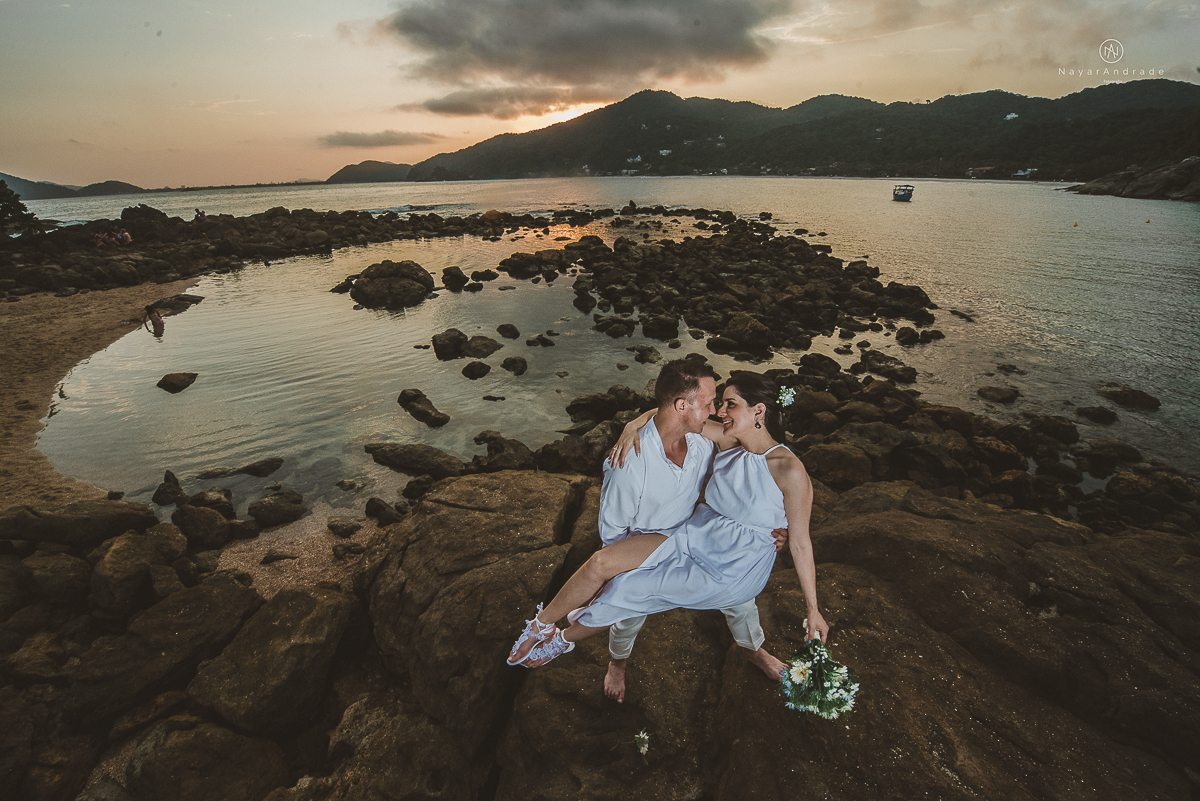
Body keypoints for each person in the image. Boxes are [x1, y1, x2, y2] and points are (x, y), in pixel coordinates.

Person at [507, 370, 829, 673]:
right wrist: (632, 424)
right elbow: (674, 416)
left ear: (759, 411)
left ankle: (560, 643)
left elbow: (801, 542)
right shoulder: (728, 442)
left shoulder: (789, 469)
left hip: (732, 564)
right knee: (602, 565)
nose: (720, 411)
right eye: (719, 403)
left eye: (730, 404)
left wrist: (812, 610)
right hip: (695, 535)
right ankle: (541, 625)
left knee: (632, 589)